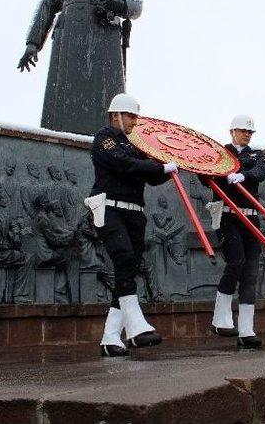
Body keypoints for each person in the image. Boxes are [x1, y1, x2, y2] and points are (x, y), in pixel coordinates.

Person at [18, 0, 142, 135]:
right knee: (66, 93)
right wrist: (33, 44)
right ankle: (60, 137)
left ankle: (108, 141)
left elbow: (136, 5)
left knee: (106, 98)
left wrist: (114, 1)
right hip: (71, 38)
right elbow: (47, 6)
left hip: (106, 41)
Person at [87, 93, 178, 356]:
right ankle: (136, 326)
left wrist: (170, 168)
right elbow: (125, 165)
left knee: (128, 270)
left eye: (136, 116)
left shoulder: (135, 144)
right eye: (131, 116)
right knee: (125, 260)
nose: (134, 121)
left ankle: (110, 337)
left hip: (135, 213)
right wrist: (159, 168)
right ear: (115, 115)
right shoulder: (104, 139)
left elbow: (150, 176)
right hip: (111, 209)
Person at [207, 115, 265, 348]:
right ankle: (220, 318)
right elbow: (207, 177)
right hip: (227, 215)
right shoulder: (220, 152)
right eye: (243, 130)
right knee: (236, 262)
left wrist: (243, 174)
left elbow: (262, 171)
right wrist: (223, 173)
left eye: (249, 132)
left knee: (250, 273)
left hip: (250, 216)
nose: (247, 134)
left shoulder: (256, 154)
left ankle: (246, 329)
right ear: (232, 131)